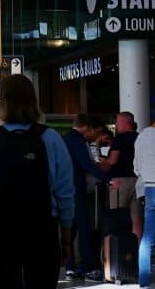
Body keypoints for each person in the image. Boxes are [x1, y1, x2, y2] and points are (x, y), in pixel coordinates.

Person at [0, 74, 74, 289]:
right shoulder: (51, 138)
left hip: (1, 231)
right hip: (42, 230)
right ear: (32, 100)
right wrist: (66, 238)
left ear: (4, 101)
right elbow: (65, 193)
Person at [62, 114, 107, 281]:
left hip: (64, 188)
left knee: (70, 229)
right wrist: (107, 178)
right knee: (84, 227)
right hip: (77, 188)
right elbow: (86, 164)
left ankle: (69, 265)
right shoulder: (78, 140)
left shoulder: (63, 139)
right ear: (86, 127)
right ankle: (88, 267)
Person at [98, 111, 143, 240]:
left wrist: (101, 162)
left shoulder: (120, 138)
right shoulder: (140, 137)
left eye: (117, 122)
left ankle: (116, 252)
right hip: (138, 181)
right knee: (137, 219)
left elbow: (113, 161)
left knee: (116, 218)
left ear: (125, 122)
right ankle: (135, 251)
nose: (116, 125)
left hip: (120, 182)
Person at [135, 120, 155, 289]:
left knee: (147, 237)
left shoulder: (142, 136)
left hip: (149, 188)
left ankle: (144, 280)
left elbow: (136, 167)